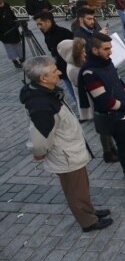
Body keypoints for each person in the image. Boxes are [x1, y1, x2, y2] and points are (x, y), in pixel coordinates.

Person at [20, 56, 113, 232]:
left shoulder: (45, 91)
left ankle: (89, 210)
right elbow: (39, 138)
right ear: (43, 78)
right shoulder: (41, 104)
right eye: (55, 71)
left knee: (81, 187)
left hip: (70, 150)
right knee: (75, 191)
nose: (60, 72)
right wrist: (39, 151)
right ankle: (88, 221)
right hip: (65, 155)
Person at [78, 33, 125, 188]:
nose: (110, 52)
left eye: (110, 48)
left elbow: (119, 82)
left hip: (122, 112)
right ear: (95, 50)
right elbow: (104, 100)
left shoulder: (107, 62)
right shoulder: (89, 72)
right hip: (112, 116)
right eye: (106, 49)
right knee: (123, 146)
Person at [57, 38, 119, 163]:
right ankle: (107, 152)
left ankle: (112, 148)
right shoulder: (73, 69)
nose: (84, 53)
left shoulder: (79, 64)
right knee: (103, 127)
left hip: (95, 97)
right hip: (93, 100)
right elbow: (85, 85)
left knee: (105, 124)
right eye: (81, 51)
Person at [34, 12, 75, 100]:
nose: (39, 27)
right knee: (73, 94)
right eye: (37, 25)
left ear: (48, 22)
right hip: (62, 70)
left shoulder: (63, 33)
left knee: (78, 94)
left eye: (40, 24)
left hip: (71, 68)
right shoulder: (47, 34)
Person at [0, 0, 23, 68]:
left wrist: (16, 21)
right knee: (9, 47)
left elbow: (12, 15)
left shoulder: (6, 5)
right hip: (4, 32)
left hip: (13, 28)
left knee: (18, 44)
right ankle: (14, 61)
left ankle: (21, 58)